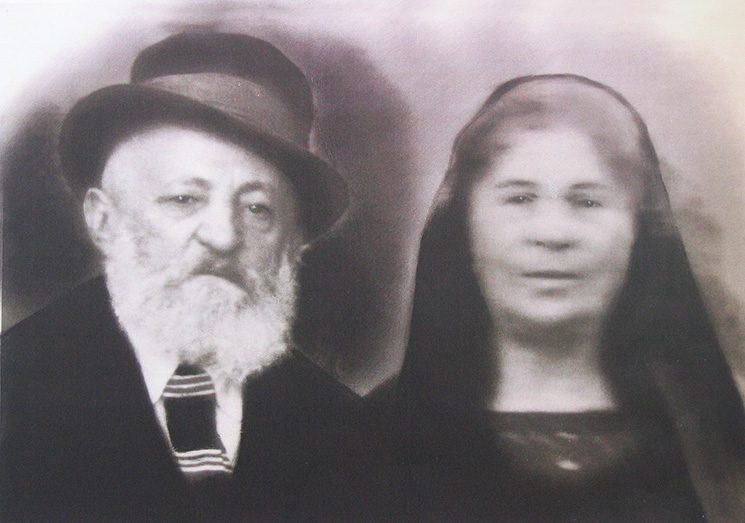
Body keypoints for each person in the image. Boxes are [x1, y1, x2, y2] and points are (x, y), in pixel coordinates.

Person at [0, 32, 369, 521]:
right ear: (104, 220)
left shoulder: (345, 428)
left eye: (258, 208)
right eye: (184, 199)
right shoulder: (14, 388)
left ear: (294, 242)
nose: (223, 236)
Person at [392, 74, 745, 521]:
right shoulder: (374, 439)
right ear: (465, 226)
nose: (553, 233)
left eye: (587, 202)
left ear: (637, 231)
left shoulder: (714, 444)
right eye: (519, 198)